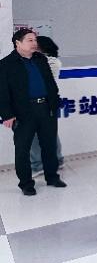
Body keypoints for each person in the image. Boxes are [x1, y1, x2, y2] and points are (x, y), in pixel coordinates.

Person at [0, 29, 66, 196]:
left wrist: (55, 102)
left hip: (46, 108)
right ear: (18, 43)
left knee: (49, 145)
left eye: (35, 40)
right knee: (23, 149)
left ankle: (52, 177)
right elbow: (2, 92)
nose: (34, 43)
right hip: (23, 112)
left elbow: (50, 83)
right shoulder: (6, 64)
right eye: (30, 40)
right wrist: (7, 114)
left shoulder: (40, 59)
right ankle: (26, 183)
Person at [30, 36, 65, 176]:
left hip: (42, 102)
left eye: (34, 44)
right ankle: (57, 160)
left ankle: (38, 165)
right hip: (44, 102)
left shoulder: (50, 62)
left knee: (34, 134)